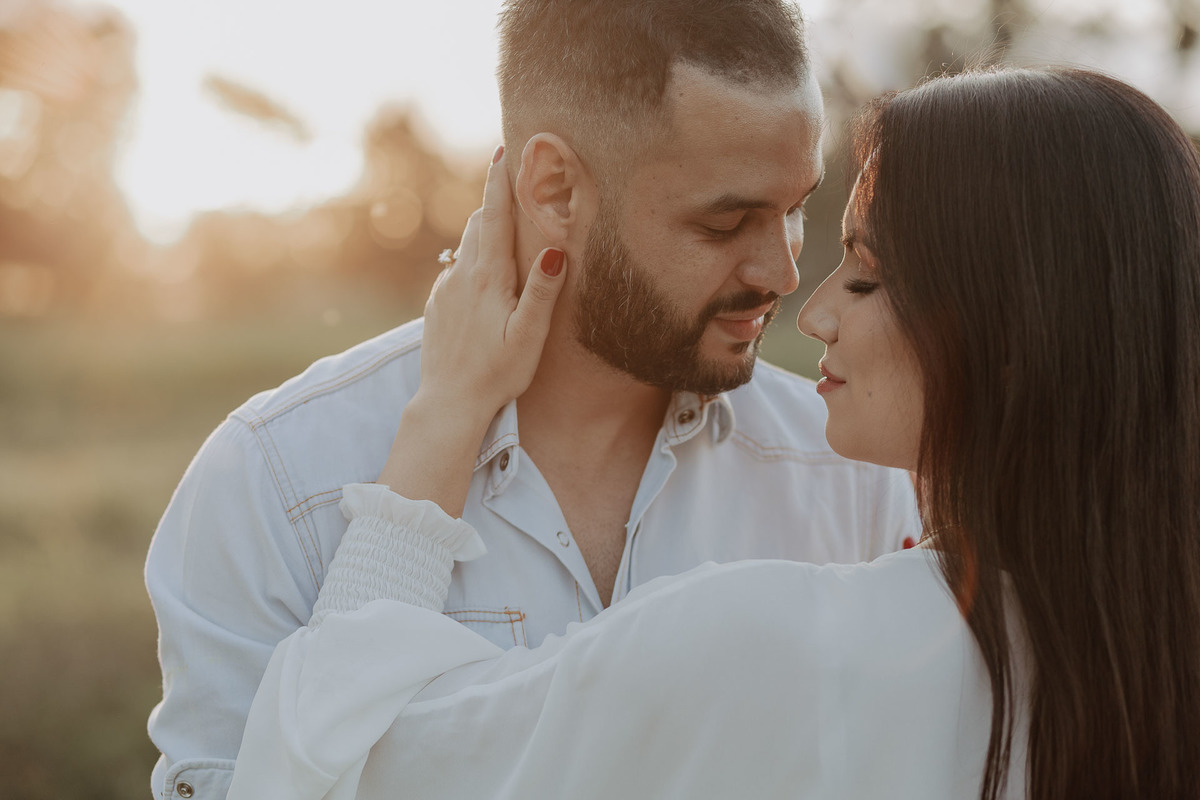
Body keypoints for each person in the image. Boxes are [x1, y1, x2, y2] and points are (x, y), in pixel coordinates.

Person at [227, 66, 1200, 799]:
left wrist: (443, 412)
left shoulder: (778, 649)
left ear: (1015, 336)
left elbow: (325, 763)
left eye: (865, 274)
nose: (808, 308)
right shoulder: (1153, 651)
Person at [144, 1, 918, 797]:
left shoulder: (855, 474)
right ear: (554, 189)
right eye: (726, 223)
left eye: (793, 210)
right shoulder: (274, 480)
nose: (784, 275)